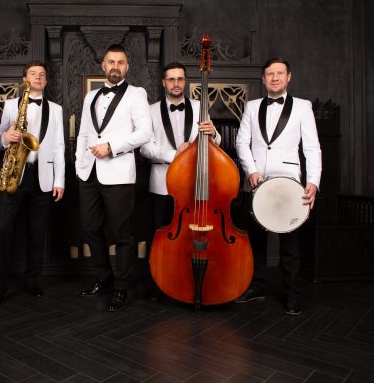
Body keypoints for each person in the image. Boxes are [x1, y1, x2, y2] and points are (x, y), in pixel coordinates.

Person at [234, 57, 322, 316]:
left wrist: (313, 182)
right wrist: (251, 170)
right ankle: (257, 286)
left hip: (289, 186)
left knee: (290, 246)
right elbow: (241, 142)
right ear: (263, 79)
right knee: (256, 241)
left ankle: (292, 295)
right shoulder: (251, 106)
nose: (275, 78)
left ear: (288, 77)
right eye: (270, 74)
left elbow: (312, 147)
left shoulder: (303, 107)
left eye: (280, 73)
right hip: (257, 184)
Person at [76, 44, 153, 312]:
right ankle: (104, 278)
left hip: (119, 174)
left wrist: (111, 147)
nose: (115, 66)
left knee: (122, 233)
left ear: (127, 67)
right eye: (111, 62)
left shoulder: (136, 94)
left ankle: (121, 287)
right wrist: (79, 165)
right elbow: (84, 133)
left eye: (120, 62)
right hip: (89, 173)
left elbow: (145, 133)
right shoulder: (91, 96)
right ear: (103, 65)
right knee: (90, 228)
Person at [140, 62, 220, 301]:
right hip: (162, 184)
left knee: (189, 237)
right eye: (171, 79)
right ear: (163, 82)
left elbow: (215, 146)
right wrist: (174, 155)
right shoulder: (150, 110)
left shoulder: (199, 107)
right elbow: (144, 147)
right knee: (160, 237)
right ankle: (159, 284)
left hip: (194, 185)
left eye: (180, 79)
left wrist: (214, 134)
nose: (176, 83)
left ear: (185, 81)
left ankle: (188, 283)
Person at [0, 61, 65, 305]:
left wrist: (59, 181)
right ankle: (0, 285)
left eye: (42, 74)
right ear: (25, 79)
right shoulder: (12, 105)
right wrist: (6, 137)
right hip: (15, 173)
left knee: (37, 232)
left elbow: (59, 146)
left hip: (42, 177)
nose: (38, 77)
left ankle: (32, 280)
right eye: (33, 74)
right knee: (3, 230)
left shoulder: (56, 109)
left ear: (46, 80)